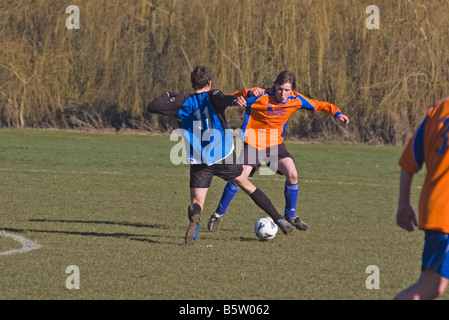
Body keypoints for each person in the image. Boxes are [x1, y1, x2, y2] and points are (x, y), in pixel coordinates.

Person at [147, 65, 294, 245]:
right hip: (223, 156)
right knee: (247, 185)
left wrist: (170, 95)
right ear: (209, 82)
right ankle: (279, 219)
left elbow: (152, 106)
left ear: (193, 83)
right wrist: (234, 101)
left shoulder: (182, 102)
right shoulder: (212, 95)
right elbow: (224, 99)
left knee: (197, 201)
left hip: (199, 160)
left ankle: (194, 224)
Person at [207, 70, 349, 232]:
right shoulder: (260, 96)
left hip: (275, 144)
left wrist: (337, 113)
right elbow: (232, 97)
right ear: (275, 86)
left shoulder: (296, 99)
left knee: (292, 173)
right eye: (280, 89)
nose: (283, 93)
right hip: (253, 142)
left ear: (292, 90)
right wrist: (245, 93)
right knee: (241, 177)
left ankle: (290, 215)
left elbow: (319, 105)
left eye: (287, 90)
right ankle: (218, 214)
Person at [395, 97, 449, 300]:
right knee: (428, 287)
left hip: (436, 208)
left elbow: (409, 160)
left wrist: (403, 203)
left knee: (432, 287)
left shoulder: (438, 111)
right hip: (446, 212)